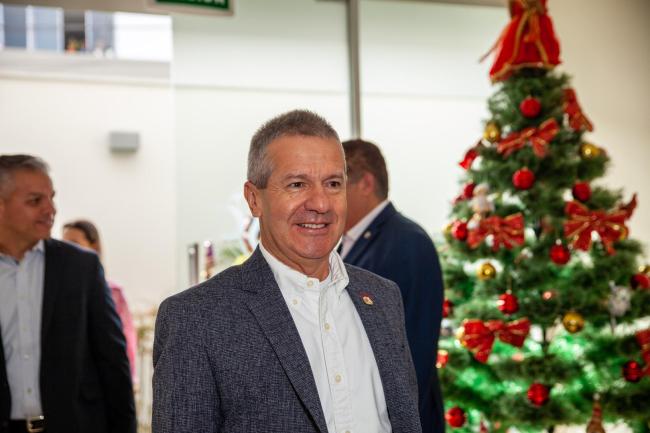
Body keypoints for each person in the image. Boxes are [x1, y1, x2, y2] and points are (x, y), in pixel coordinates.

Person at [152, 110, 421, 433]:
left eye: (333, 184)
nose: (320, 203)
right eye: (297, 184)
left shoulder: (383, 298)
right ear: (254, 199)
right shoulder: (196, 319)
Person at [0, 155, 136, 433]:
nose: (51, 209)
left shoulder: (81, 267)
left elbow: (112, 363)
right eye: (35, 201)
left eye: (51, 198)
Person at [340, 139, 445, 433]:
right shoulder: (348, 241)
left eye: (335, 184)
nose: (325, 196)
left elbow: (415, 348)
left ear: (365, 183)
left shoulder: (408, 242)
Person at [62, 219, 138, 386]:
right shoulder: (57, 291)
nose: (67, 251)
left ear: (94, 247)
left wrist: (129, 380)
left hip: (99, 381)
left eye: (74, 244)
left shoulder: (113, 292)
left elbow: (126, 339)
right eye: (64, 244)